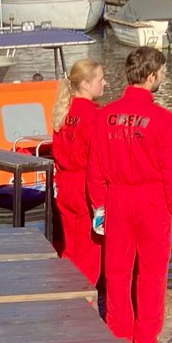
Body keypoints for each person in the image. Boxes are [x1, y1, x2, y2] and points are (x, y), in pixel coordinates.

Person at [87, 46, 172, 343]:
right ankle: (145, 342)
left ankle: (118, 334)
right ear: (151, 76)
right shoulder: (163, 120)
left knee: (116, 272)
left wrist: (99, 207)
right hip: (151, 202)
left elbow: (95, 168)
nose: (162, 77)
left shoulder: (104, 116)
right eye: (161, 73)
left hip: (117, 199)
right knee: (151, 274)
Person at [50, 58, 105, 287]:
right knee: (89, 256)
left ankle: (65, 296)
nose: (105, 83)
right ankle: (82, 308)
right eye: (101, 79)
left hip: (65, 186)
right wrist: (100, 203)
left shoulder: (63, 111)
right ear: (85, 84)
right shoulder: (94, 116)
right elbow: (99, 161)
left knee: (70, 250)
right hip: (85, 188)